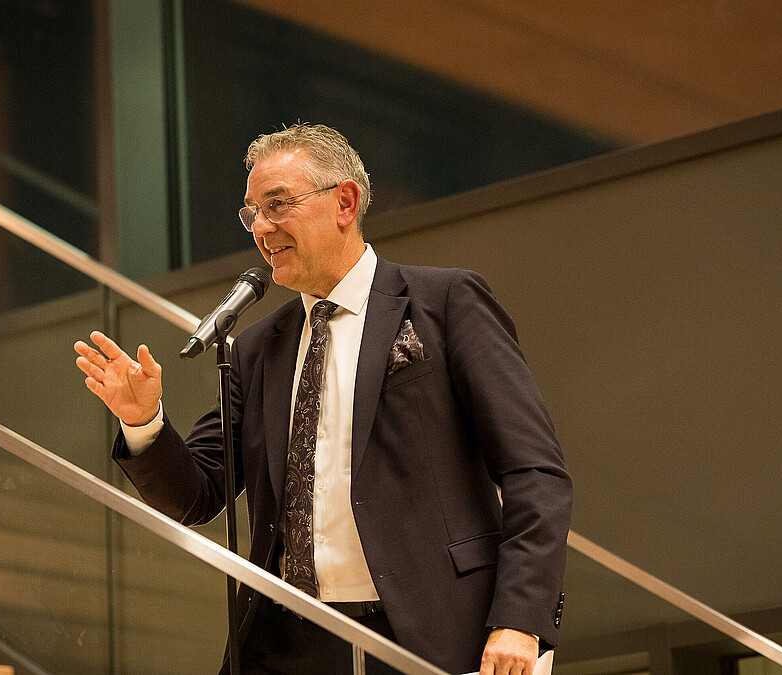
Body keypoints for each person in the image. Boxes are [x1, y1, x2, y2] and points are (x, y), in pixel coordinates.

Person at [74, 123, 571, 675]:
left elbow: (534, 473)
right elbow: (196, 497)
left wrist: (520, 618)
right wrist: (144, 421)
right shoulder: (256, 349)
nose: (262, 228)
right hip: (290, 645)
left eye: (277, 205)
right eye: (251, 213)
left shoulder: (445, 302)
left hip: (429, 634)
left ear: (345, 203)